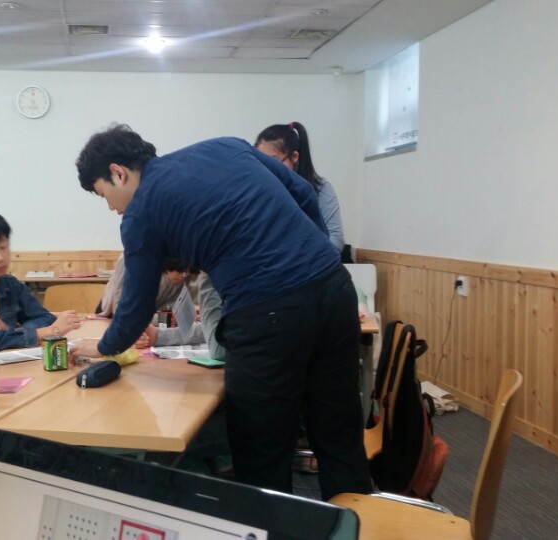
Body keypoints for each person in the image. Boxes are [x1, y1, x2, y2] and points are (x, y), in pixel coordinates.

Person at [69, 124, 372, 499]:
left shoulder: (140, 212)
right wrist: (312, 251)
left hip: (266, 312)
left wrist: (102, 347)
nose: (112, 208)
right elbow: (302, 192)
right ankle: (357, 523)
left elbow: (136, 305)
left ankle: (272, 526)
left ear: (118, 173)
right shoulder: (225, 146)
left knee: (262, 451)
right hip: (334, 288)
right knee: (339, 433)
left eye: (104, 195)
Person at [0, 210, 81, 351]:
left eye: (3, 247)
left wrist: (12, 332)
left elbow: (44, 317)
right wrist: (46, 332)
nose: (0, 257)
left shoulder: (10, 284)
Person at [255, 122, 345, 252]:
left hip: (311, 262)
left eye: (273, 161)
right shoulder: (260, 191)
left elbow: (336, 241)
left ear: (294, 157)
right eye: (262, 163)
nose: (268, 169)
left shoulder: (320, 188)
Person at [97, 255, 187, 317]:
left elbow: (170, 305)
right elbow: (119, 311)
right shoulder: (131, 261)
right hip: (113, 312)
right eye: (180, 272)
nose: (184, 276)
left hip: (145, 317)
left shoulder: (179, 274)